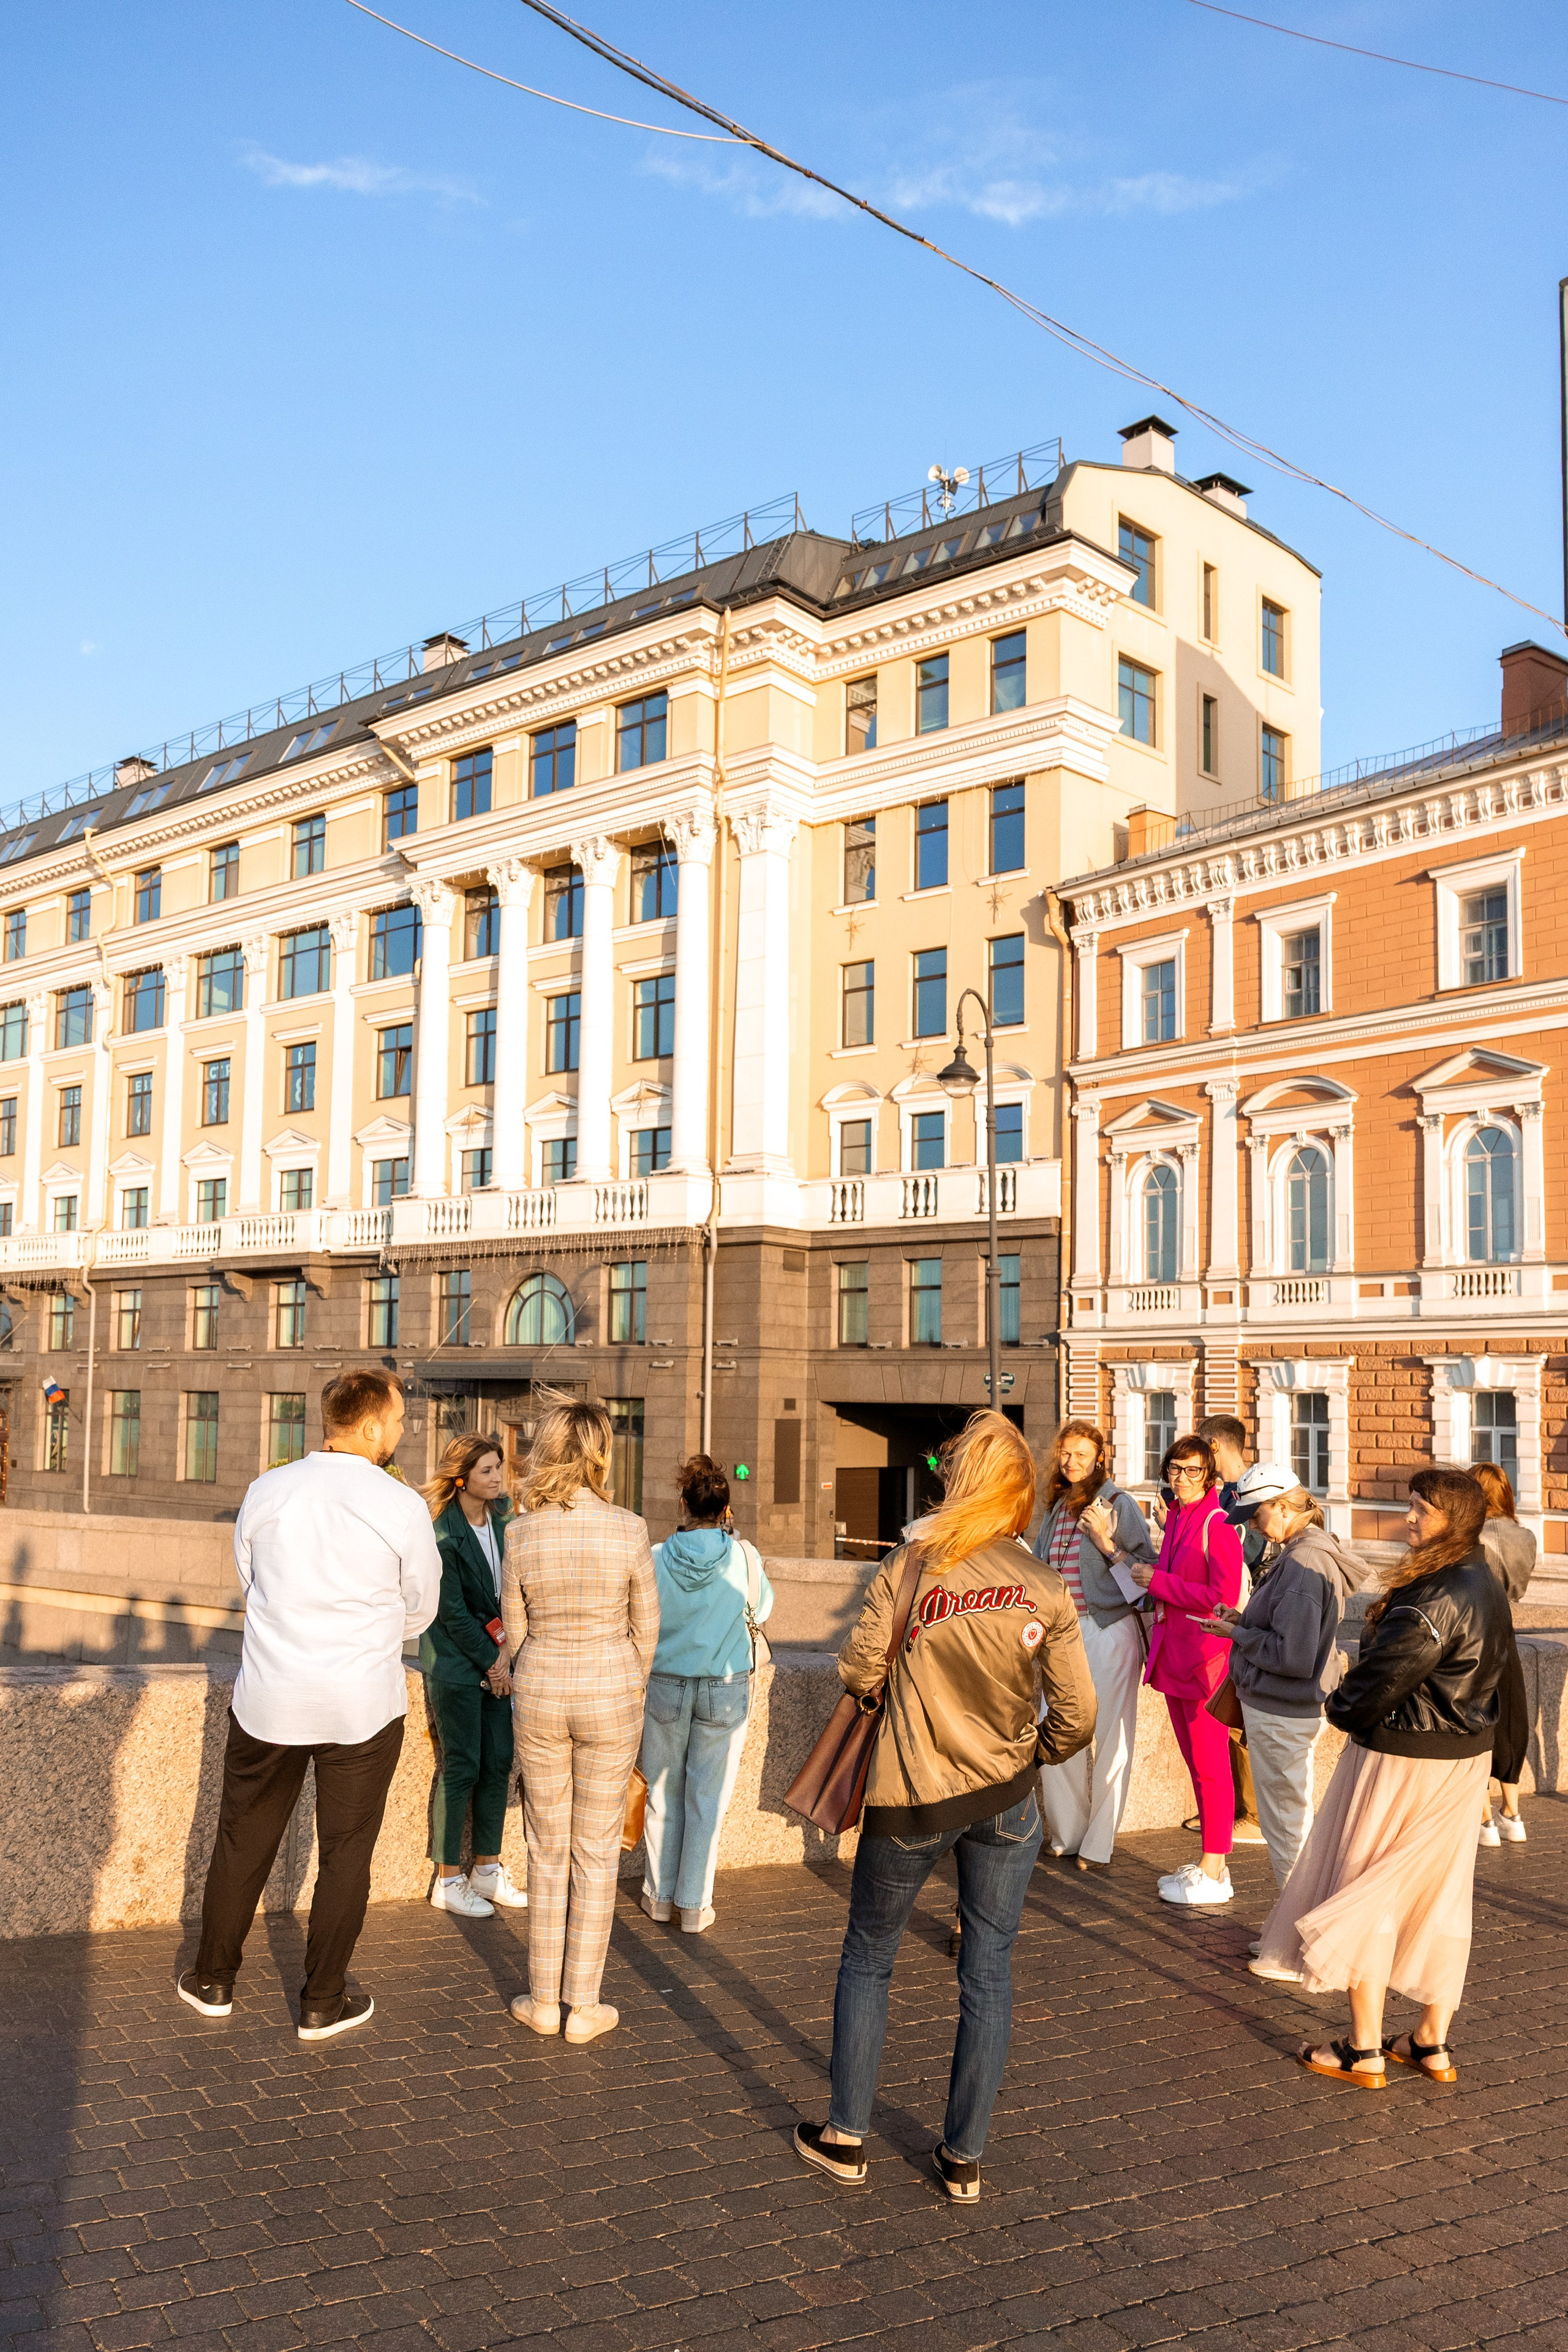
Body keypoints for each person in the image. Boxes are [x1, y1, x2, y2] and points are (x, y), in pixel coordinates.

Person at [793, 1410, 1095, 2203]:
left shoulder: (915, 1564)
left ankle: (847, 2136)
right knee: (987, 1972)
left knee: (869, 1955)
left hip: (913, 1790)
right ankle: (963, 2157)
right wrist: (1032, 1755)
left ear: (959, 1482)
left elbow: (860, 1669)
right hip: (1007, 1797)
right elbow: (1078, 1716)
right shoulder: (1045, 1587)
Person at [178, 1369, 440, 2040]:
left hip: (271, 1696)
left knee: (243, 1836)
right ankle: (323, 2001)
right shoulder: (400, 1505)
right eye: (401, 1419)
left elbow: (251, 1580)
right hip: (361, 1704)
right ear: (373, 1425)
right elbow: (422, 1609)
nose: (404, 1429)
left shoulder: (267, 1490)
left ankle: (213, 1980)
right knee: (347, 1852)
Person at [1254, 1467, 1512, 2089]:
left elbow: (1379, 1681)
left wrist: (1339, 1707)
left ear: (1448, 1518)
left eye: (1420, 1510)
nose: (1408, 1520)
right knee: (1443, 1896)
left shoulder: (1434, 1596)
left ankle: (1365, 2050)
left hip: (1402, 1757)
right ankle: (1430, 2042)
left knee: (1366, 1882)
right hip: (1462, 1758)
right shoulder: (1484, 1578)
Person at [502, 1397, 659, 2048]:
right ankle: (583, 2006)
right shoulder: (629, 1528)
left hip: (539, 1687)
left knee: (545, 1846)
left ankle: (541, 1999)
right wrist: (626, 1685)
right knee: (596, 1852)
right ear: (600, 1453)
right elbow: (647, 1630)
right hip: (610, 1691)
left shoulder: (519, 1532)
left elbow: (514, 1631)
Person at [1193, 1461, 1360, 1888]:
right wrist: (1244, 1619)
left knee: (1287, 1830)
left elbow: (1293, 1656)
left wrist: (1237, 1633)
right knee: (1290, 1824)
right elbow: (1292, 1634)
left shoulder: (1303, 1559)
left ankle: (1294, 1936)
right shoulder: (1310, 1549)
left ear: (1283, 1506)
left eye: (1255, 1515)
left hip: (1283, 1708)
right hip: (1292, 1706)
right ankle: (1296, 1927)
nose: (1251, 1527)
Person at [641, 1454, 774, 1934]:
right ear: (726, 1509)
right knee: (707, 1798)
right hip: (725, 1684)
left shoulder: (655, 1558)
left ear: (683, 1503)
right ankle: (694, 1906)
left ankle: (658, 1897)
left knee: (662, 1792)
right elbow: (763, 1607)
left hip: (665, 1683)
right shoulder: (745, 1556)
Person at [1114, 1433, 1243, 1907]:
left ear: (1209, 1475)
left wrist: (1159, 1581)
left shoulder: (1218, 1523)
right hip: (1176, 1657)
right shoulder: (1181, 1518)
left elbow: (1223, 1600)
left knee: (1211, 1767)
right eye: (1175, 1469)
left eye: (1192, 1471)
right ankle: (1212, 1860)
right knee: (1196, 1764)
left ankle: (1216, 1866)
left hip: (1204, 1661)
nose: (1182, 1478)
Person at [1034, 1420, 1155, 1871]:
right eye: (1066, 1454)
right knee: (1056, 1730)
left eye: (1082, 1455)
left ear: (1099, 1457)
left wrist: (1105, 1542)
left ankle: (1099, 1844)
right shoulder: (1056, 1507)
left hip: (1110, 1628)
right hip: (1063, 1634)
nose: (1072, 1462)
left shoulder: (1119, 1504)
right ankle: (1067, 1834)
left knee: (1111, 1737)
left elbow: (1145, 1574)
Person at [420, 1434, 527, 1918]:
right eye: (486, 1471)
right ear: (461, 1478)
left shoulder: (505, 1518)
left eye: (498, 1468)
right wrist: (492, 1661)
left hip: (500, 1659)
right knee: (462, 1764)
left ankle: (487, 1870)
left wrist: (506, 1658)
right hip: (457, 1665)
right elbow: (454, 1613)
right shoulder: (442, 1532)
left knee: (499, 1762)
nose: (497, 1477)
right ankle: (447, 1879)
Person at [1195, 1412, 1267, 1849]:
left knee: (1244, 1722)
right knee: (1228, 1716)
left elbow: (1252, 1554)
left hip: (1250, 1616)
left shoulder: (1254, 1491)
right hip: (1232, 1618)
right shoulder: (1224, 1494)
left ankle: (1255, 1815)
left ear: (1216, 1447)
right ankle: (1237, 1808)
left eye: (1202, 1447)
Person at [1472, 1460, 1535, 1847]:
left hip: (1473, 1629)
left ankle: (1483, 1820)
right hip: (1506, 1629)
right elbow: (1520, 1588)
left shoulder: (1469, 1535)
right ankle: (1512, 1814)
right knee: (1512, 1716)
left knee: (1474, 1717)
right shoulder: (1525, 1536)